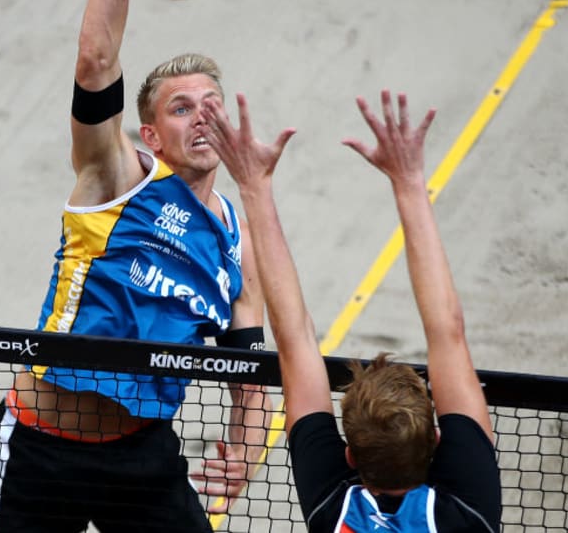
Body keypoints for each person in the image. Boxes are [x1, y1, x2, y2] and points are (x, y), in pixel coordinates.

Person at [0, 0, 270, 531]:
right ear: (151, 135)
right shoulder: (118, 177)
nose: (201, 116)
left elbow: (248, 373)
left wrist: (245, 446)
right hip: (41, 448)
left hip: (142, 459)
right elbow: (95, 62)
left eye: (210, 104)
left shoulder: (236, 243)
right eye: (181, 108)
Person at [200, 90, 503, 531]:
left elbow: (295, 340)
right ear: (437, 442)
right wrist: (410, 181)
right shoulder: (470, 513)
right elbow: (447, 331)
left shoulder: (332, 511)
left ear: (349, 457)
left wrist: (253, 185)